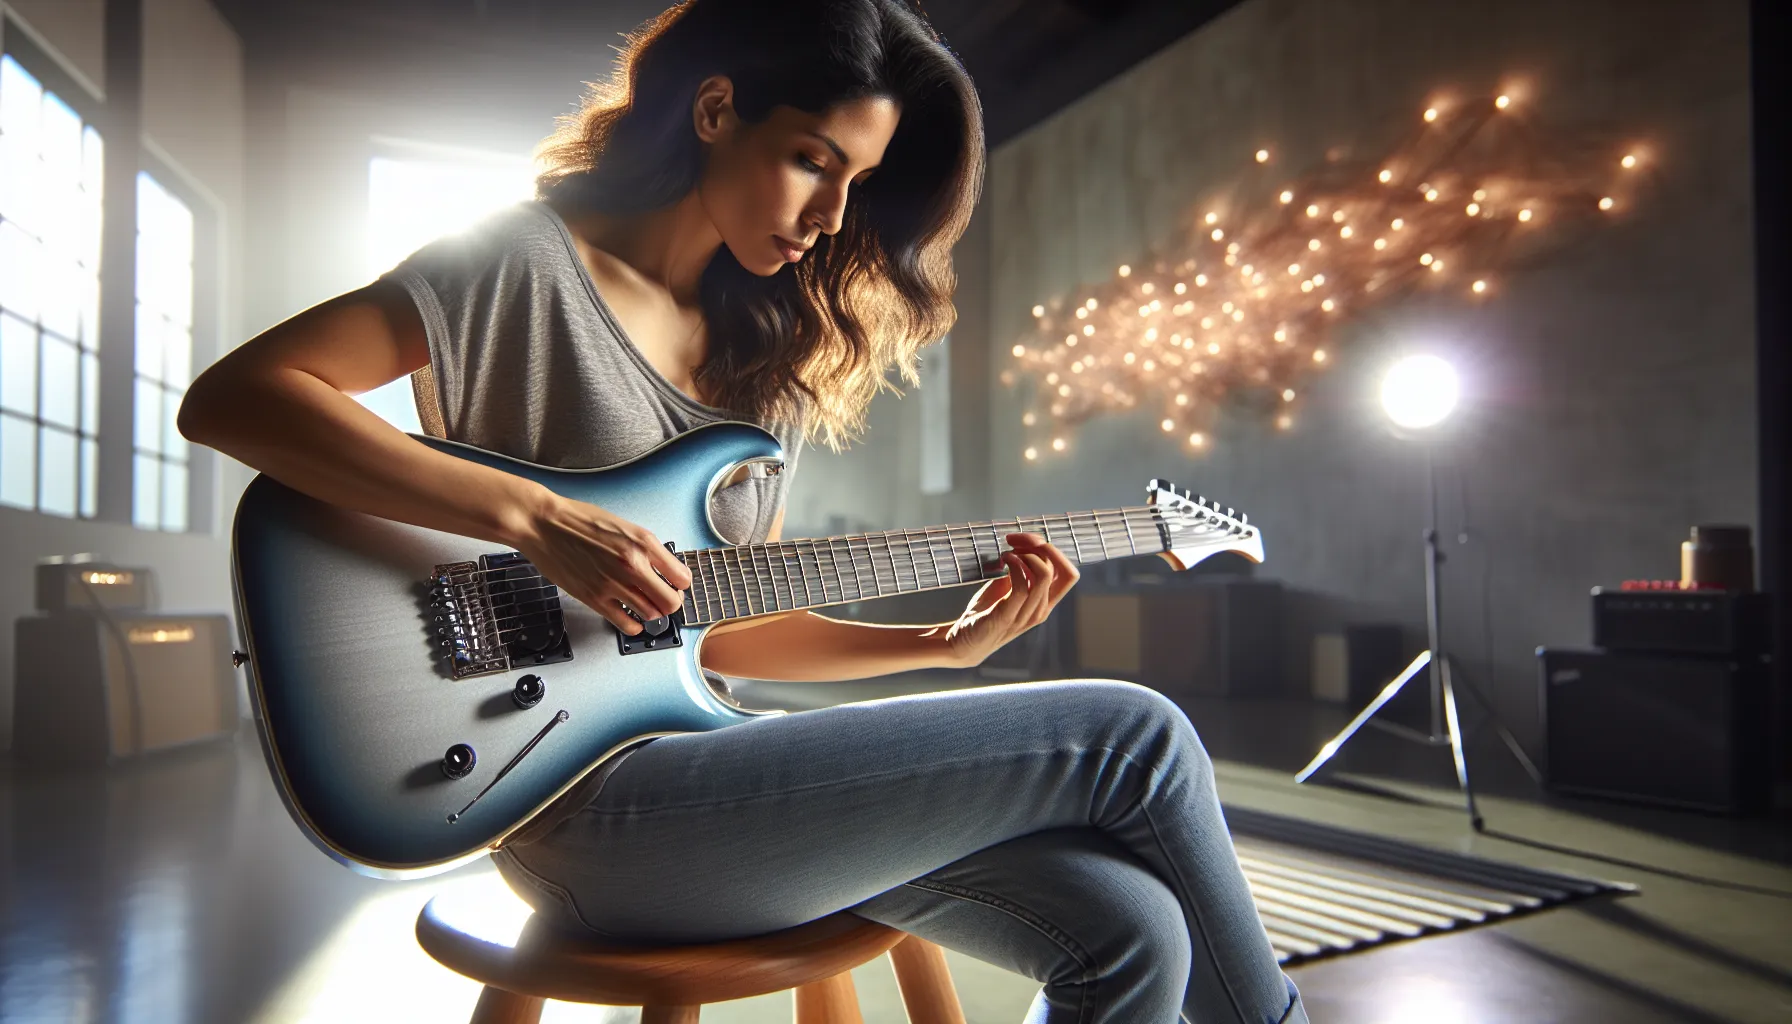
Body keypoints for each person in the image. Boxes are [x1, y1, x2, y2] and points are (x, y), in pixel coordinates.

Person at [178, 1, 1306, 1020]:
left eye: (856, 181)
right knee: (1137, 733)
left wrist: (937, 646)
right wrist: (529, 515)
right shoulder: (522, 263)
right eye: (813, 160)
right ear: (716, 109)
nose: (831, 213)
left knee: (1133, 929)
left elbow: (720, 622)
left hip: (711, 769)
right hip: (577, 812)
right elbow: (236, 399)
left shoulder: (757, 363)